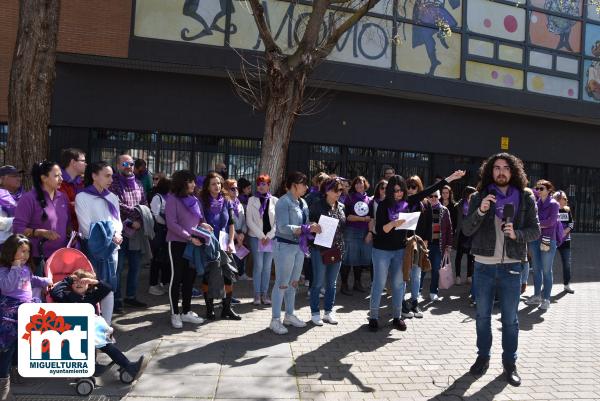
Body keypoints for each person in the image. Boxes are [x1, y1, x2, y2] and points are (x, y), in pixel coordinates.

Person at [463, 153, 540, 387]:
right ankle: (482, 357)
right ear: (490, 171)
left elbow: (535, 230)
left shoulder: (525, 197)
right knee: (482, 317)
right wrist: (481, 211)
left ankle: (510, 362)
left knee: (510, 320)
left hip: (512, 267)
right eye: (496, 168)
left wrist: (517, 234)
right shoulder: (479, 196)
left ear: (513, 171)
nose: (501, 172)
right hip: (484, 267)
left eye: (506, 168)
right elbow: (466, 230)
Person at [50, 269, 147, 381]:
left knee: (107, 346)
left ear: (89, 286)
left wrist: (94, 281)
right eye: (76, 282)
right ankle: (93, 368)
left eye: (83, 282)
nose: (78, 283)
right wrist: (68, 279)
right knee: (93, 346)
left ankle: (128, 366)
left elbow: (108, 288)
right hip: (75, 328)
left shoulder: (91, 296)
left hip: (93, 328)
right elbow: (54, 292)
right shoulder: (66, 296)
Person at [0, 234, 52, 400]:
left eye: (27, 252)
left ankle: (15, 370)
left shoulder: (25, 269)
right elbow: (7, 287)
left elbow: (31, 280)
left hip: (26, 310)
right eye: (21, 251)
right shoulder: (4, 269)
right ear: (10, 252)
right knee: (7, 347)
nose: (25, 255)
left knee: (20, 343)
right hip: (10, 312)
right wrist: (14, 268)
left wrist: (46, 281)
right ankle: (3, 385)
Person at [269, 172, 321, 335]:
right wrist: (305, 229)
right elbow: (283, 227)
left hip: (299, 247)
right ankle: (275, 320)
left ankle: (289, 315)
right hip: (284, 247)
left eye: (306, 184)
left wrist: (311, 225)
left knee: (294, 283)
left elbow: (304, 223)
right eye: (303, 183)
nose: (306, 187)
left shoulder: (303, 202)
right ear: (293, 185)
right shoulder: (283, 202)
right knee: (282, 283)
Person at [76, 161, 123, 324]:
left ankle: (107, 326)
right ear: (94, 176)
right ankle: (92, 324)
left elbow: (117, 220)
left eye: (112, 176)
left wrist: (117, 233)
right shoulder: (82, 197)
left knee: (108, 285)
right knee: (92, 286)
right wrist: (110, 237)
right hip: (93, 249)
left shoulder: (112, 197)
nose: (111, 179)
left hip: (112, 249)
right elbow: (85, 226)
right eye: (107, 176)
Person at [165, 170, 208, 328]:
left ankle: (186, 312)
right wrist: (189, 237)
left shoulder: (195, 199)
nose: (193, 184)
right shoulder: (172, 199)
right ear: (181, 183)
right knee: (176, 278)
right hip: (177, 243)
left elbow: (200, 219)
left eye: (193, 181)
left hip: (193, 243)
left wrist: (204, 225)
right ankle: (175, 313)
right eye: (190, 181)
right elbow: (172, 224)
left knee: (190, 278)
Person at [13, 161, 70, 276]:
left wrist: (71, 237)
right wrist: (40, 232)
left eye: (61, 175)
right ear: (44, 178)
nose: (61, 179)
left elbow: (67, 224)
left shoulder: (63, 197)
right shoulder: (28, 199)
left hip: (60, 256)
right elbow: (17, 229)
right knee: (39, 293)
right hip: (37, 259)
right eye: (56, 176)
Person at [109, 154, 148, 312]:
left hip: (137, 231)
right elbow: (117, 204)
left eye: (131, 163)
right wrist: (136, 215)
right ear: (118, 165)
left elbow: (144, 203)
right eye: (125, 163)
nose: (129, 166)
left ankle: (131, 297)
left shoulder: (139, 183)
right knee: (118, 268)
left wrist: (139, 218)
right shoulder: (113, 183)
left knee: (136, 266)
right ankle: (117, 300)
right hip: (120, 231)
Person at [199, 172, 240, 320]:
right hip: (209, 244)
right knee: (208, 277)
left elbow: (231, 224)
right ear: (207, 187)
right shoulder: (202, 202)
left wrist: (230, 241)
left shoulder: (227, 201)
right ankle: (209, 309)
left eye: (218, 183)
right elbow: (198, 222)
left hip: (224, 244)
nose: (217, 186)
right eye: (213, 184)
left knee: (229, 276)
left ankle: (227, 309)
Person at [309, 177, 346, 326]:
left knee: (332, 283)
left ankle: (328, 312)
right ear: (327, 190)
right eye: (336, 190)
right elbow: (308, 224)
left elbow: (343, 228)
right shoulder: (317, 206)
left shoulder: (341, 207)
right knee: (318, 282)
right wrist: (313, 225)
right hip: (320, 249)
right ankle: (315, 313)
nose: (339, 193)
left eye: (341, 190)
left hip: (337, 248)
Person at [525, 179, 559, 311]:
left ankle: (546, 299)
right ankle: (536, 296)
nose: (538, 191)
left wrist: (536, 224)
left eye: (541, 189)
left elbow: (551, 222)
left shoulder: (554, 204)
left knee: (546, 270)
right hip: (535, 239)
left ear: (549, 190)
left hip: (548, 239)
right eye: (537, 188)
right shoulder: (536, 203)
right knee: (537, 270)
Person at [246, 174, 278, 305]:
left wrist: (269, 236)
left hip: (271, 238)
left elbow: (278, 221)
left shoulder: (275, 201)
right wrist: (261, 236)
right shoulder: (251, 200)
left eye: (264, 184)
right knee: (258, 265)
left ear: (269, 185)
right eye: (259, 184)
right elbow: (249, 221)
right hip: (256, 237)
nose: (261, 186)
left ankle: (265, 294)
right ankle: (257, 295)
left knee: (267, 267)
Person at [341, 176, 372, 295]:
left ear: (365, 184)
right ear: (354, 185)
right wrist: (363, 219)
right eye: (357, 183)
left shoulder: (369, 199)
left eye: (361, 183)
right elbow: (347, 216)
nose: (359, 185)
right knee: (348, 259)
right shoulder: (349, 198)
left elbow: (372, 218)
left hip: (364, 232)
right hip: (351, 232)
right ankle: (344, 285)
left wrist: (369, 231)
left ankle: (357, 283)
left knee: (359, 258)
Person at [423, 190, 453, 300]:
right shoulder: (424, 209)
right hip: (425, 245)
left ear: (439, 197)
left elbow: (449, 229)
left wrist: (448, 245)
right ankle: (417, 291)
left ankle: (433, 291)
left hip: (438, 246)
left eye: (436, 196)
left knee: (436, 269)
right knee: (422, 269)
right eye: (431, 196)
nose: (433, 198)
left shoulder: (444, 211)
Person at [148, 177, 171, 296]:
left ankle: (165, 282)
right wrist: (168, 223)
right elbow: (155, 215)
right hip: (160, 232)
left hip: (168, 232)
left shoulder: (170, 196)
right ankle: (153, 284)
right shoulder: (157, 197)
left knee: (166, 260)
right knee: (157, 259)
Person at [224, 179, 248, 279]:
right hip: (230, 233)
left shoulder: (240, 204)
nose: (236, 191)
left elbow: (244, 221)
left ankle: (241, 273)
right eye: (232, 189)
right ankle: (232, 275)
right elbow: (227, 222)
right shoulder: (225, 204)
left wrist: (242, 233)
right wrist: (236, 235)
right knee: (232, 255)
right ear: (226, 190)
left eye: (237, 188)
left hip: (240, 233)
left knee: (241, 254)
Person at [58, 148, 86, 232]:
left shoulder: (82, 183)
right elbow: (61, 207)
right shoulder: (58, 182)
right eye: (83, 161)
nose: (86, 164)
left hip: (79, 232)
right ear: (73, 162)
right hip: (62, 233)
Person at [453, 186, 477, 286]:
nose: (474, 196)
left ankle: (469, 276)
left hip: (472, 233)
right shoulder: (459, 205)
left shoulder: (476, 205)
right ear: (467, 194)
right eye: (472, 194)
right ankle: (458, 276)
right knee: (459, 255)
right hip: (461, 233)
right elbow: (455, 220)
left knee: (470, 257)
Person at [554, 190, 574, 294]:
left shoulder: (567, 210)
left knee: (566, 264)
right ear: (558, 199)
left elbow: (571, 224)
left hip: (566, 241)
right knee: (548, 264)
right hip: (553, 240)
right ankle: (545, 287)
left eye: (566, 199)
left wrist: (564, 232)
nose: (565, 200)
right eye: (563, 198)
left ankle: (567, 285)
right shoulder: (553, 209)